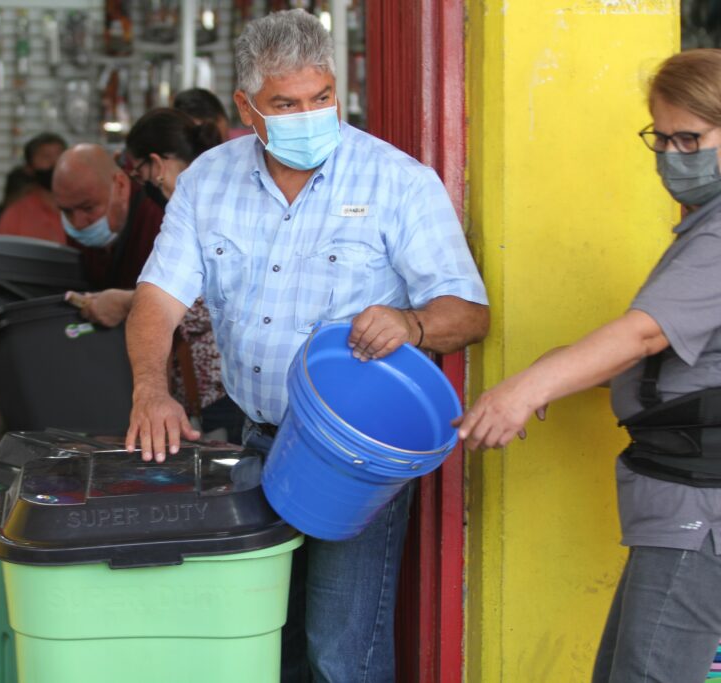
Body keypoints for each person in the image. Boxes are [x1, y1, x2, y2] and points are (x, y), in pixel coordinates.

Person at [125, 10, 489, 683]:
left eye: (321, 98)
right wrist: (151, 388)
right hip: (250, 438)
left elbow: (467, 312)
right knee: (259, 640)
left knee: (341, 648)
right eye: (285, 104)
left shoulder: (397, 181)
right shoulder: (209, 179)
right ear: (247, 107)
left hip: (350, 457)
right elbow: (157, 297)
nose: (308, 115)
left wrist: (410, 324)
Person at [457, 49, 721, 683]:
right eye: (662, 140)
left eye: (692, 139)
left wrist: (524, 389)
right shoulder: (702, 226)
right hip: (674, 498)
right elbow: (680, 348)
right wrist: (568, 366)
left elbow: (644, 332)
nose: (674, 157)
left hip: (699, 505)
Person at [127, 107, 244, 443]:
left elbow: (192, 304)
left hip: (227, 396)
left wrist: (125, 304)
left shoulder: (203, 205)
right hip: (212, 394)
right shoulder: (210, 198)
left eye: (139, 174)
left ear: (156, 164)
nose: (142, 185)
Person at [51, 143, 165, 326]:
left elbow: (189, 306)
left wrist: (126, 304)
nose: (78, 223)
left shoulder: (159, 221)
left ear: (119, 186)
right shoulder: (79, 217)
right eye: (66, 212)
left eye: (88, 208)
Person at [0, 132, 67, 240]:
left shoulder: (84, 208)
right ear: (29, 168)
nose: (55, 162)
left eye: (60, 155)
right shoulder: (16, 215)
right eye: (46, 156)